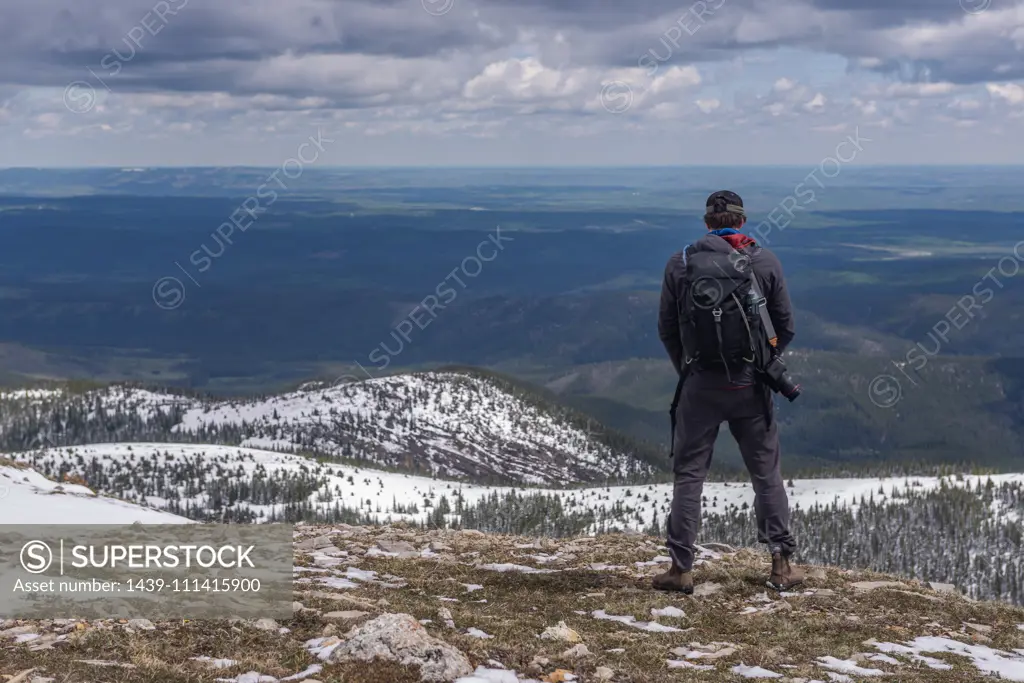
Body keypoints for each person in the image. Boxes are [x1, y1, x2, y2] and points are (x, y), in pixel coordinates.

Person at [653, 190, 803, 593]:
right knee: (765, 475)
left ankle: (681, 569)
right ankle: (781, 565)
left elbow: (667, 327)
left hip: (700, 384)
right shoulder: (763, 261)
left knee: (689, 476)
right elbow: (785, 325)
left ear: (706, 222)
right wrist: (764, 360)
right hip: (750, 384)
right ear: (741, 221)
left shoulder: (680, 263)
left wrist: (687, 367)